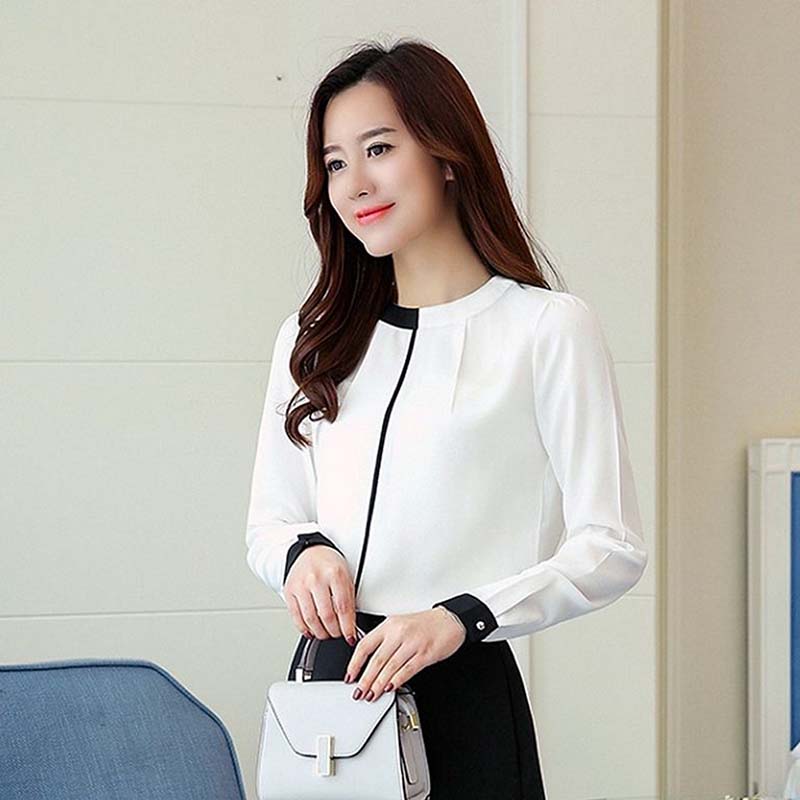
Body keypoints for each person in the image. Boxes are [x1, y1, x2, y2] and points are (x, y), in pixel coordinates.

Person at [245, 38, 648, 800]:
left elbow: (613, 545)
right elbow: (269, 520)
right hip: (331, 693)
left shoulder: (547, 329)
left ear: (447, 155)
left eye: (379, 149)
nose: (355, 183)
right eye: (335, 162)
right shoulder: (314, 336)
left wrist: (462, 617)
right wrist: (301, 553)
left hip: (466, 693)